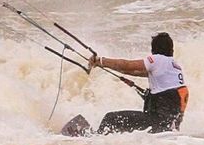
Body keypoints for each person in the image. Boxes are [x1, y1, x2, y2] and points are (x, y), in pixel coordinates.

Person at [59, 32, 189, 136]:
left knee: (111, 119)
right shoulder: (174, 67)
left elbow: (127, 65)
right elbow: (132, 71)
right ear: (171, 49)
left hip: (157, 122)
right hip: (166, 125)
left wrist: (101, 61)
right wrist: (107, 66)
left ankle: (94, 142)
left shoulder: (157, 60)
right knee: (121, 123)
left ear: (154, 50)